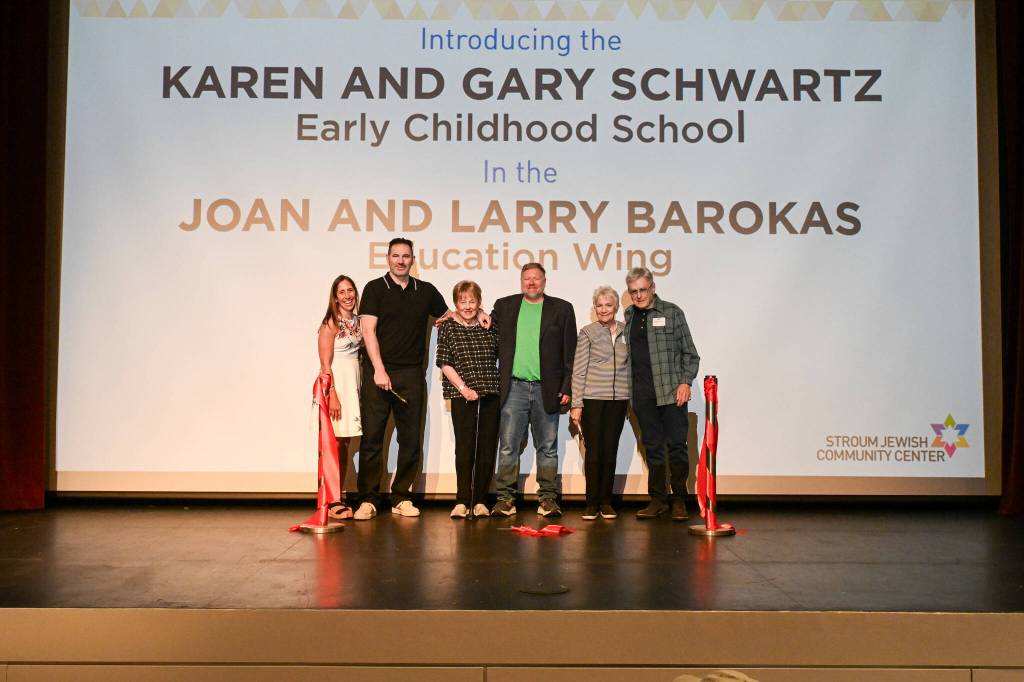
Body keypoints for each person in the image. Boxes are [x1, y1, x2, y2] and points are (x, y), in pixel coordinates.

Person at [354, 238, 452, 520]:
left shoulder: (425, 291)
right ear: (387, 258)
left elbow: (448, 316)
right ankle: (368, 499)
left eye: (405, 256)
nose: (400, 260)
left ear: (412, 260)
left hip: (411, 374)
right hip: (378, 372)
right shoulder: (374, 288)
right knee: (372, 438)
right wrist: (379, 370)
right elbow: (368, 331)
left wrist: (479, 313)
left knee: (410, 439)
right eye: (395, 256)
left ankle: (401, 497)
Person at [491, 263, 577, 518]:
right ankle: (505, 499)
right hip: (513, 388)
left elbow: (570, 353)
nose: (531, 283)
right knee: (508, 446)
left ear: (544, 281)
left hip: (546, 390)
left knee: (547, 447)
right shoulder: (504, 307)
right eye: (527, 278)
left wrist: (566, 387)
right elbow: (488, 335)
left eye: (536, 279)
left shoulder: (562, 309)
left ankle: (548, 499)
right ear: (521, 281)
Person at [623, 267, 700, 521]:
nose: (638, 295)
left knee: (677, 446)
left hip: (671, 392)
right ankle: (658, 499)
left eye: (643, 290)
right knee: (653, 447)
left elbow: (690, 353)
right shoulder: (629, 316)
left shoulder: (672, 312)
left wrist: (685, 382)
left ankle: (679, 498)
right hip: (642, 395)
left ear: (653, 288)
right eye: (633, 291)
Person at [436, 281, 500, 519]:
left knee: (486, 449)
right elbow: (444, 362)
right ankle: (463, 500)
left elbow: (499, 354)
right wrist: (463, 388)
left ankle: (481, 500)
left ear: (479, 302)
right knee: (464, 449)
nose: (468, 305)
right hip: (462, 395)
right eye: (462, 301)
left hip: (490, 393)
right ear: (456, 303)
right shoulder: (448, 327)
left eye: (472, 301)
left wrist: (484, 314)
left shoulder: (489, 326)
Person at [569, 286, 630, 521]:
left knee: (610, 450)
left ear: (616, 307)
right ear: (595, 308)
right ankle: (591, 503)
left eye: (608, 305)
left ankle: (607, 502)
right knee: (594, 452)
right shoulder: (587, 332)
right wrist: (577, 404)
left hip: (619, 401)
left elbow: (631, 368)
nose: (604, 309)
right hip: (593, 400)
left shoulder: (627, 332)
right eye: (600, 305)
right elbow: (579, 370)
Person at [316, 274, 363, 520]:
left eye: (350, 290)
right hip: (337, 385)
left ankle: (338, 494)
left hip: (354, 383)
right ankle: (331, 500)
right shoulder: (330, 322)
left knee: (345, 444)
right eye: (342, 292)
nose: (347, 296)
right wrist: (332, 394)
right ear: (335, 297)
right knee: (334, 444)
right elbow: (325, 364)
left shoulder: (358, 321)